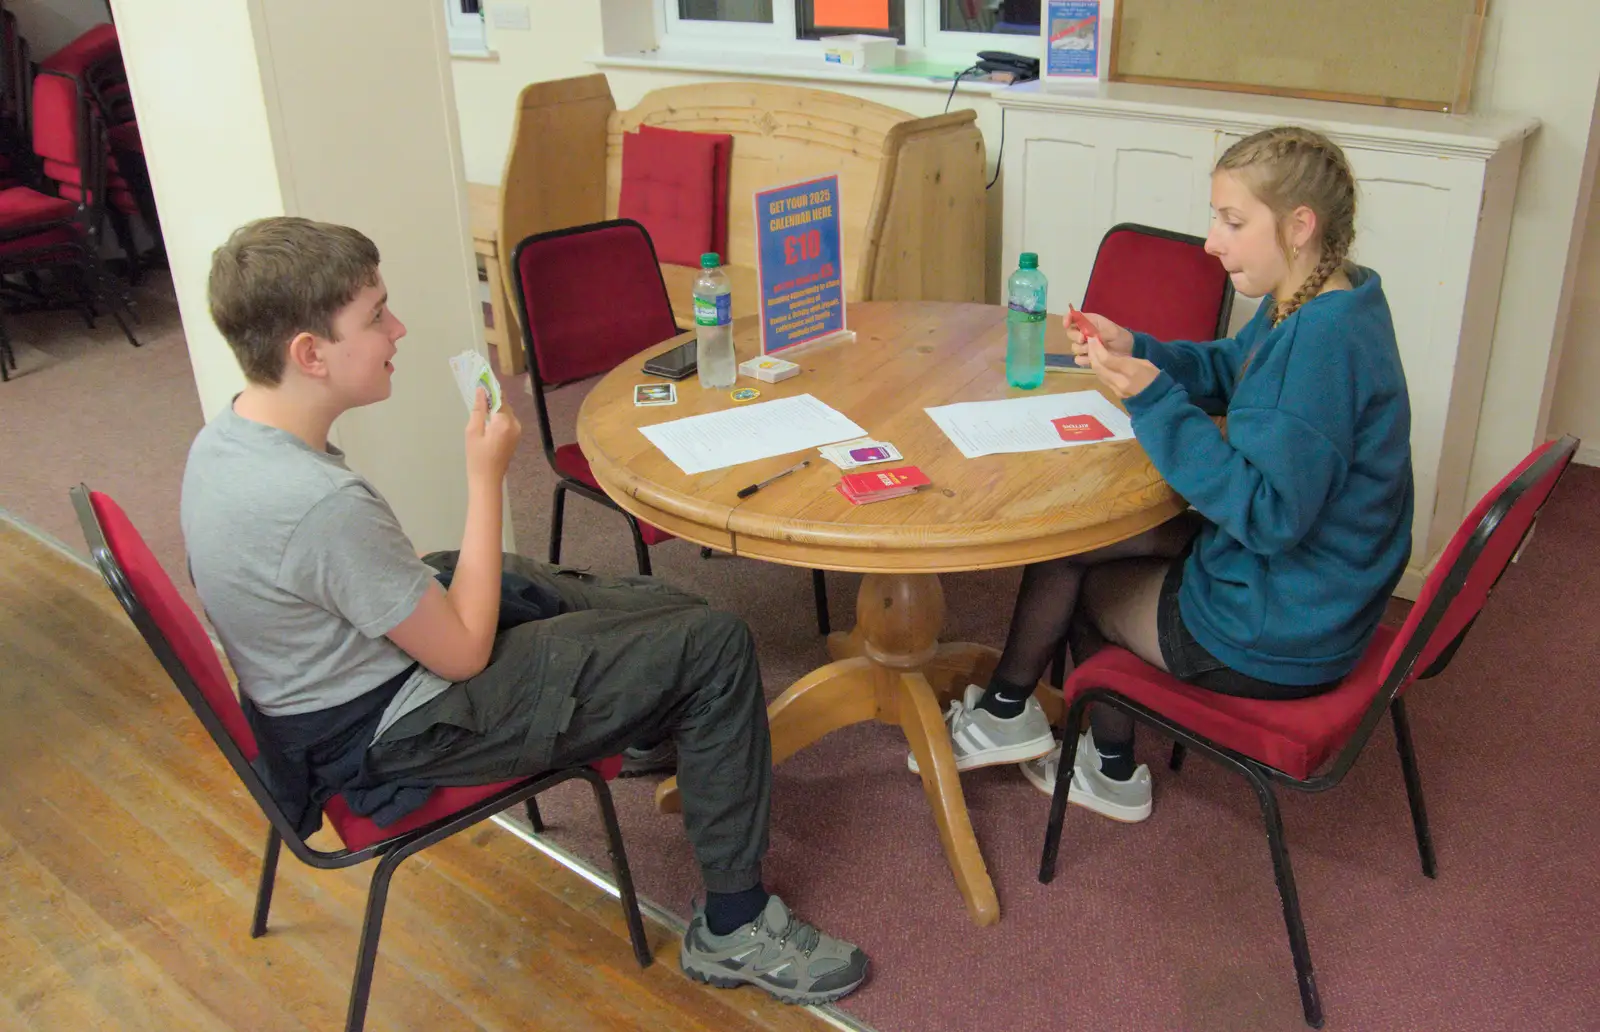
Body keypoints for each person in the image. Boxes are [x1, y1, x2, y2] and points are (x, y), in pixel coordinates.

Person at [180, 216, 868, 1005]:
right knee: (713, 643)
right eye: (374, 317)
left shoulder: (229, 437)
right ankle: (735, 928)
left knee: (631, 602)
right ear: (309, 353)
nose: (396, 329)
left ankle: (648, 721)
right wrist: (485, 479)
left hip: (346, 679)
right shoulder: (318, 506)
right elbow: (465, 655)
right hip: (391, 728)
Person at [913, 126, 1413, 822]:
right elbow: (1231, 367)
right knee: (1080, 542)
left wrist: (1153, 400)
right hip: (1322, 590)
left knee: (1086, 582)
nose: (1211, 241)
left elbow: (1267, 518)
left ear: (1301, 225)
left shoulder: (1319, 347)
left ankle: (1099, 761)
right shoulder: (1323, 294)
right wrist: (1139, 348)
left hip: (1283, 624)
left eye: (1233, 222)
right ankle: (1012, 712)